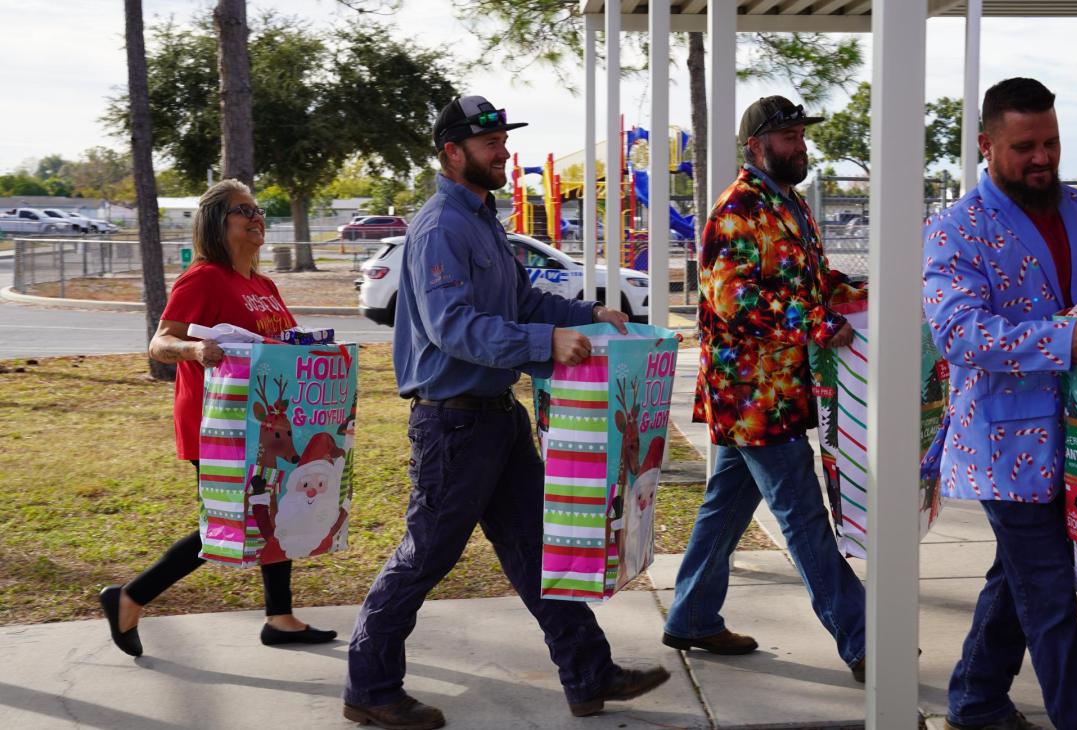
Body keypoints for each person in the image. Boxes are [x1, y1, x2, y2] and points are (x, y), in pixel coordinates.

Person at [342, 95, 670, 730]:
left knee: (536, 548)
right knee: (426, 556)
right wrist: (542, 344)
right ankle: (369, 686)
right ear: (451, 153)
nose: (503, 151)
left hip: (496, 417)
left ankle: (589, 674)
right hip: (453, 424)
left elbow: (520, 298)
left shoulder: (484, 220)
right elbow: (451, 326)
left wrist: (587, 314)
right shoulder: (440, 226)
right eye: (489, 143)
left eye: (502, 140)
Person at [922, 78, 1077, 730]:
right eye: (1025, 146)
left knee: (1018, 582)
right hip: (1005, 448)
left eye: (1051, 142)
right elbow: (957, 331)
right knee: (1050, 598)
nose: (1042, 158)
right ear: (986, 146)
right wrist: (1060, 339)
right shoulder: (955, 230)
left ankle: (975, 701)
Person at [662, 95, 868, 681]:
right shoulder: (737, 209)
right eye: (788, 137)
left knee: (725, 505)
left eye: (801, 135)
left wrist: (849, 288)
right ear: (756, 147)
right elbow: (735, 298)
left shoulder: (790, 204)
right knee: (802, 513)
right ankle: (862, 640)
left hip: (772, 392)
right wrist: (821, 323)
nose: (800, 145)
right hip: (750, 395)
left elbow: (806, 277)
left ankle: (692, 616)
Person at [98, 179, 338, 658]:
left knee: (269, 505)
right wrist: (195, 349)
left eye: (258, 209)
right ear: (217, 222)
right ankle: (129, 597)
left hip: (267, 422)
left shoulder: (264, 285)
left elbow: (284, 345)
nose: (256, 217)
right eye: (243, 210)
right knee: (237, 516)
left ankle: (280, 618)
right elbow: (160, 342)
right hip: (218, 425)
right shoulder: (204, 278)